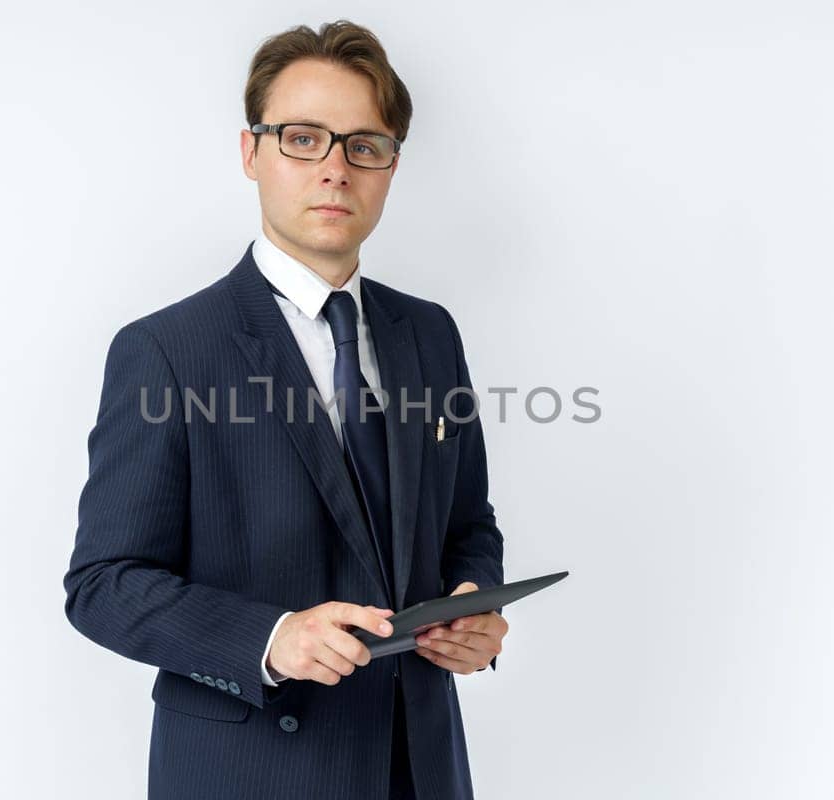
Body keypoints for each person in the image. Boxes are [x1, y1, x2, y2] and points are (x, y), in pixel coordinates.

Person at [63, 20, 507, 800]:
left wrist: (474, 608)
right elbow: (102, 584)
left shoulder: (430, 333)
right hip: (256, 772)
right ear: (252, 153)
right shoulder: (167, 349)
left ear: (391, 167)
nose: (336, 169)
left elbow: (469, 525)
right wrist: (273, 638)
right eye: (304, 139)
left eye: (364, 145)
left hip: (422, 765)